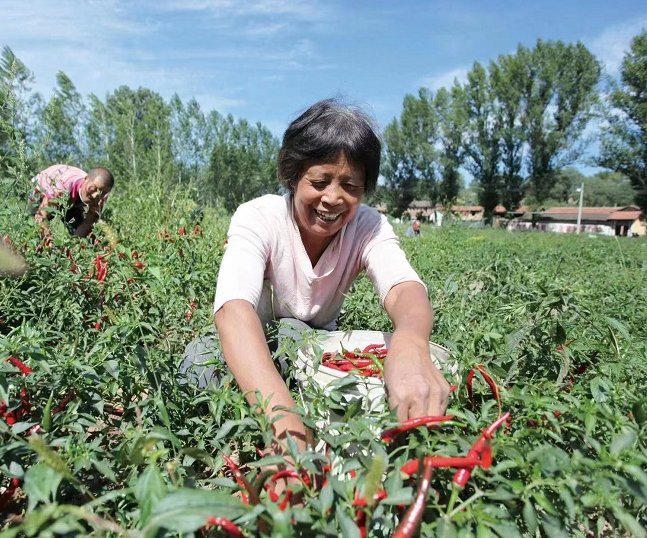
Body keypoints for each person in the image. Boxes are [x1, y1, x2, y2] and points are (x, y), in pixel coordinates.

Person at [181, 99, 450, 457]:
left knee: (321, 347)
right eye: (320, 181)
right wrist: (283, 421)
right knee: (201, 362)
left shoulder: (367, 226)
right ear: (291, 175)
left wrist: (412, 344)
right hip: (254, 344)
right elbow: (234, 310)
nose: (333, 199)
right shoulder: (259, 218)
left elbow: (404, 288)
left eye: (351, 186)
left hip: (317, 350)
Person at [29, 165, 114, 239]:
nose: (95, 196)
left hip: (72, 198)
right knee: (34, 227)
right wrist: (49, 240)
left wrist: (73, 247)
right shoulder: (62, 186)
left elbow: (87, 224)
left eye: (101, 193)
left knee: (81, 229)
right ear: (86, 179)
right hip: (39, 190)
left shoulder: (100, 198)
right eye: (93, 189)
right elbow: (40, 216)